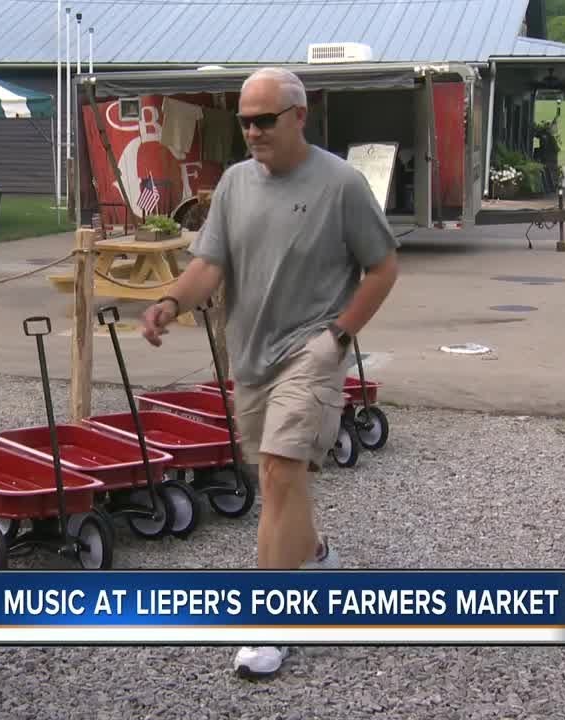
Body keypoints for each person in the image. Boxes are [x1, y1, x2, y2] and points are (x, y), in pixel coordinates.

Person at [139, 67, 399, 679]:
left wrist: (338, 336)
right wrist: (171, 302)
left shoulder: (341, 184)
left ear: (299, 116)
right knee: (280, 479)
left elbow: (383, 268)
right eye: (245, 121)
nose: (253, 131)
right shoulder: (232, 184)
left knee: (280, 474)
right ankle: (317, 556)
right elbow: (209, 264)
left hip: (311, 352)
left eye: (265, 120)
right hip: (249, 357)